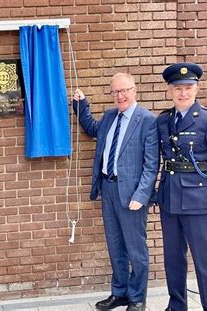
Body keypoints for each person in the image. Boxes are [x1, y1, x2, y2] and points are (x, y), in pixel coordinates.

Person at [73, 73, 159, 311]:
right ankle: (119, 293)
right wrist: (81, 105)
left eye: (124, 90)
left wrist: (141, 196)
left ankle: (137, 298)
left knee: (136, 249)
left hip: (131, 195)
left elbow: (152, 164)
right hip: (108, 189)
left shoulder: (147, 120)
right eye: (115, 92)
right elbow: (91, 128)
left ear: (134, 90)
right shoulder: (111, 116)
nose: (120, 96)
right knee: (115, 246)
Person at [156, 63, 207, 311]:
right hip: (170, 199)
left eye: (188, 87)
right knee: (173, 259)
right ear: (170, 90)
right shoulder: (163, 120)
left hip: (200, 201)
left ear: (196, 88)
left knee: (204, 261)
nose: (183, 93)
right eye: (178, 88)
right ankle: (176, 305)